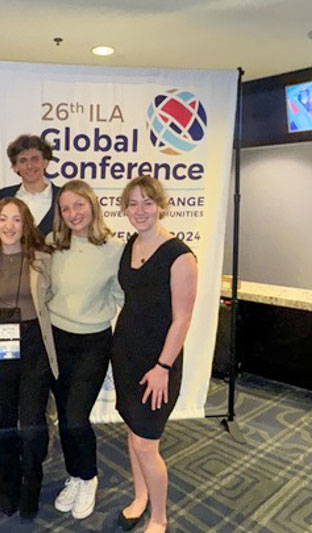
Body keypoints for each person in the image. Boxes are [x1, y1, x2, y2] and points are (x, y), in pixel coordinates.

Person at [111, 176, 196, 533]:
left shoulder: (180, 255)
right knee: (134, 434)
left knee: (147, 443)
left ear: (161, 205)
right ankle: (140, 497)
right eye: (133, 204)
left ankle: (159, 517)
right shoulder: (130, 244)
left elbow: (183, 318)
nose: (140, 211)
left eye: (148, 202)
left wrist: (163, 366)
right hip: (127, 354)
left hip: (158, 362)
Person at [47, 180, 124, 520]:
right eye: (66, 208)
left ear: (92, 205)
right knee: (65, 417)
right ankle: (74, 475)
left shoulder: (114, 248)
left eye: (79, 205)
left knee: (77, 417)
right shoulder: (52, 244)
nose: (73, 213)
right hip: (56, 340)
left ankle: (89, 477)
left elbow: (122, 298)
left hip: (93, 342)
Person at [0, 197, 56, 520]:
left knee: (33, 424)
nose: (10, 226)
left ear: (26, 224)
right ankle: (5, 489)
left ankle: (31, 486)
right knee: (2, 422)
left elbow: (51, 296)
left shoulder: (43, 257)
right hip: (0, 343)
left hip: (35, 343)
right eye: (3, 219)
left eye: (17, 219)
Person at [0, 134, 61, 236]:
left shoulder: (62, 197)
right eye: (23, 160)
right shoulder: (3, 196)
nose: (29, 166)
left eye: (34, 159)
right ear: (15, 167)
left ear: (45, 162)